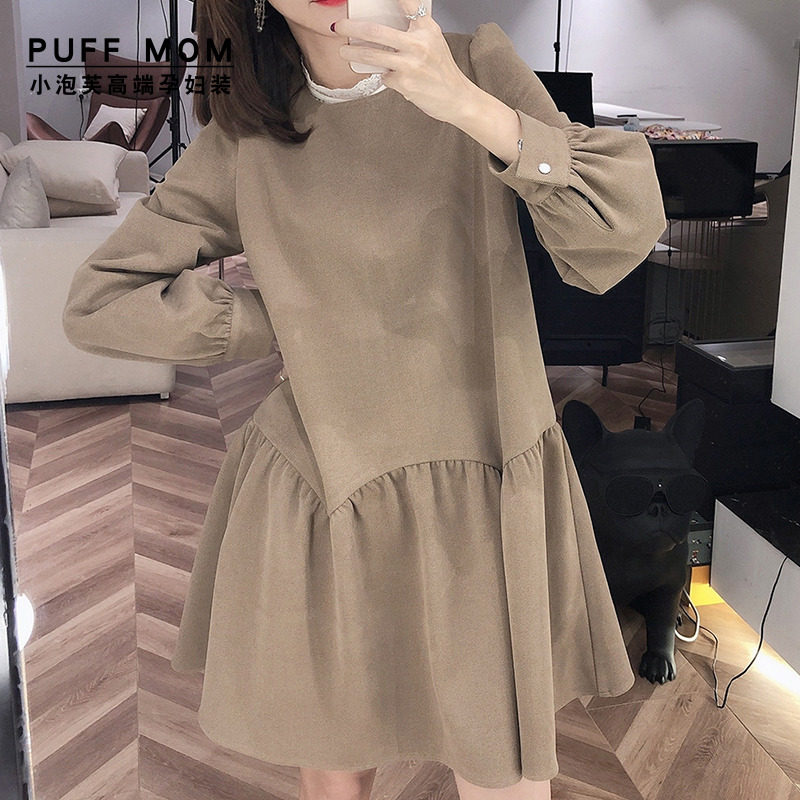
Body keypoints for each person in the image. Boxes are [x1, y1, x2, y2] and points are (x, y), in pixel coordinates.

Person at [62, 1, 667, 799]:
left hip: (485, 476)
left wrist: (470, 108)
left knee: (502, 769)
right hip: (323, 478)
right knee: (336, 760)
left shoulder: (478, 65)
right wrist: (282, 316)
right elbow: (100, 301)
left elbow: (620, 231)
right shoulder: (249, 133)